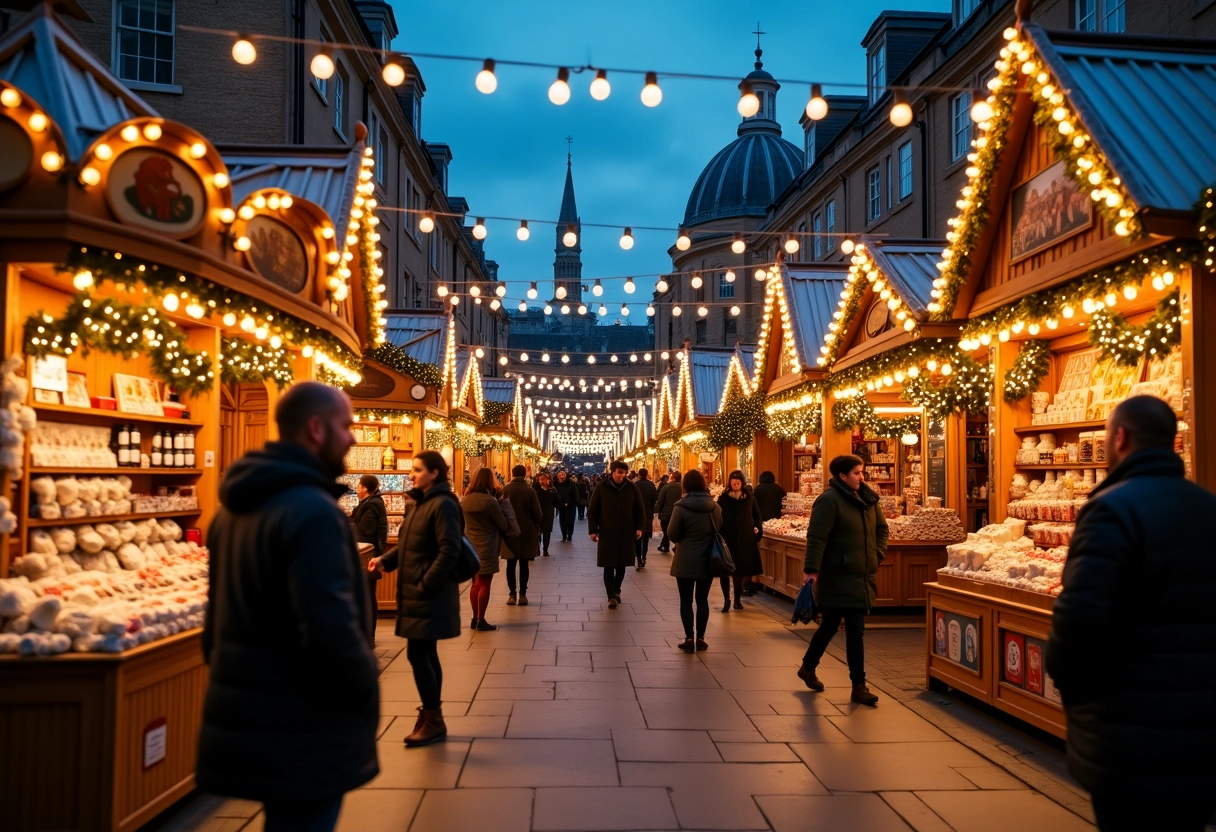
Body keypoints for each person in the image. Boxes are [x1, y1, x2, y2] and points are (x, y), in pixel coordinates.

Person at [199, 382, 378, 831]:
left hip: (252, 710)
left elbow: (214, 620)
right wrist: (364, 690)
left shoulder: (230, 512)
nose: (353, 437)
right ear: (316, 429)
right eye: (346, 426)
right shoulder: (314, 513)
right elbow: (330, 630)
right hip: (304, 719)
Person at [1045, 396, 1216, 832]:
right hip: (1201, 720)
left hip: (1129, 719)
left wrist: (1072, 689)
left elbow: (1080, 616)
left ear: (1119, 438)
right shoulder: (1207, 505)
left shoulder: (1110, 509)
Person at [370, 451, 462, 746]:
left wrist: (426, 584)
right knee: (425, 652)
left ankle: (432, 718)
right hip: (419, 592)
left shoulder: (442, 505)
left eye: (417, 469)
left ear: (434, 473)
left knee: (417, 653)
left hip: (426, 593)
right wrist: (386, 560)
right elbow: (411, 544)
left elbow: (449, 550)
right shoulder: (423, 502)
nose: (411, 474)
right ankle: (433, 714)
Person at [797, 454, 887, 707]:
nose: (862, 477)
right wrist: (811, 570)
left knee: (841, 628)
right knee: (846, 630)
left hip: (862, 576)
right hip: (838, 575)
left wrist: (877, 554)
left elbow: (882, 529)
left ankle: (810, 667)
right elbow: (817, 537)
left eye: (862, 472)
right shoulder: (828, 501)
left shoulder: (868, 499)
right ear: (842, 476)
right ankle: (858, 685)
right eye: (857, 473)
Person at [667, 470, 721, 653]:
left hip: (686, 560)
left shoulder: (680, 507)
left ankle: (689, 638)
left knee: (685, 600)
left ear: (685, 485)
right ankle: (701, 638)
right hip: (708, 559)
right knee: (702, 599)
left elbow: (672, 534)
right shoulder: (715, 507)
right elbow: (719, 528)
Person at [588, 460, 645, 608]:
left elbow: (639, 509)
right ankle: (610, 595)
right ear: (612, 472)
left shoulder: (631, 487)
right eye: (620, 472)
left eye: (624, 473)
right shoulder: (601, 487)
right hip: (608, 531)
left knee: (622, 565)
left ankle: (617, 590)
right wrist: (593, 530)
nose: (622, 475)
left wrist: (639, 527)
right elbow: (593, 510)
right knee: (608, 564)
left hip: (626, 531)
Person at [461, 468, 508, 632]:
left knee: (475, 583)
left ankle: (474, 618)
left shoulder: (465, 500)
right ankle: (481, 619)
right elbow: (503, 524)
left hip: (470, 546)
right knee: (485, 584)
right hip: (487, 545)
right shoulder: (490, 501)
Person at [717, 470, 762, 612]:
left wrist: (757, 527)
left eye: (738, 481)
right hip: (727, 538)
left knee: (740, 572)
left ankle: (737, 600)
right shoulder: (723, 499)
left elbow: (757, 515)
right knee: (725, 571)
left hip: (744, 538)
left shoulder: (749, 498)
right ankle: (726, 600)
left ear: (742, 483)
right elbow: (718, 516)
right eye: (733, 481)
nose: (735, 483)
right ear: (729, 482)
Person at [501, 464, 542, 605]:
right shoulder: (530, 491)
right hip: (526, 531)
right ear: (525, 475)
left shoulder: (504, 490)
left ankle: (512, 594)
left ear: (512, 474)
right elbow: (538, 514)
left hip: (509, 532)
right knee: (524, 563)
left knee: (510, 564)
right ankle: (523, 594)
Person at [350, 474, 388, 623]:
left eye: (358, 486)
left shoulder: (371, 506)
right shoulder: (369, 503)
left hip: (367, 557)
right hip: (368, 556)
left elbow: (366, 533)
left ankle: (368, 635)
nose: (357, 489)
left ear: (365, 489)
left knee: (367, 595)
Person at [634, 468, 659, 569]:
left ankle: (639, 558)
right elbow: (654, 499)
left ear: (639, 474)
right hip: (648, 513)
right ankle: (644, 556)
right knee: (646, 538)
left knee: (637, 537)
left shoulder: (635, 484)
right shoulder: (651, 485)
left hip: (636, 513)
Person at [655, 470, 683, 553]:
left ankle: (665, 545)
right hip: (679, 513)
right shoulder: (683, 487)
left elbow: (660, 501)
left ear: (673, 478)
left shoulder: (666, 487)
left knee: (666, 530)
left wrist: (658, 512)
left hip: (666, 513)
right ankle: (667, 545)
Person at [533, 471, 558, 556]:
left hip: (548, 514)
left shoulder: (552, 490)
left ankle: (545, 549)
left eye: (545, 479)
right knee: (538, 532)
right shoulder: (536, 490)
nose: (545, 481)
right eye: (541, 479)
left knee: (547, 532)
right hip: (538, 514)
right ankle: (538, 548)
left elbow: (557, 501)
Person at [554, 469, 579, 542]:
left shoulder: (571, 483)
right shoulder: (556, 484)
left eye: (563, 475)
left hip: (570, 506)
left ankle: (569, 535)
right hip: (561, 506)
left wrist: (569, 503)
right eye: (560, 475)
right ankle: (564, 536)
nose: (561, 476)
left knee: (570, 521)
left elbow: (575, 495)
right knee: (562, 522)